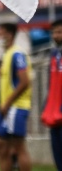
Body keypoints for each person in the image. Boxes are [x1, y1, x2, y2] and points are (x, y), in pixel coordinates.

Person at [0, 22, 33, 171]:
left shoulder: (17, 54)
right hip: (7, 108)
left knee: (18, 147)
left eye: (1, 34)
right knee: (3, 147)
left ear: (9, 34)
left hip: (15, 107)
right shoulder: (7, 54)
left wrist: (8, 103)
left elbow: (25, 81)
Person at [41, 19, 62, 170]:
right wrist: (46, 105)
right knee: (58, 158)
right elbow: (51, 83)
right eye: (54, 32)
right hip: (54, 115)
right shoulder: (54, 54)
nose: (56, 35)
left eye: (59, 32)